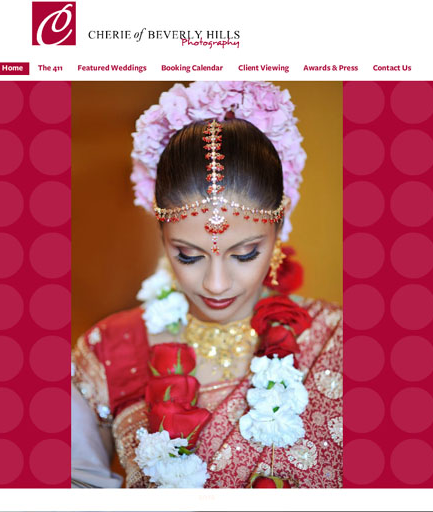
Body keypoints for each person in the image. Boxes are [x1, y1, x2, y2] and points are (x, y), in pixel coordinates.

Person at [71, 82, 343, 488]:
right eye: (188, 255)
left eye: (245, 253)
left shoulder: (338, 341)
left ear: (278, 228)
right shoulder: (107, 352)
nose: (216, 285)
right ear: (162, 234)